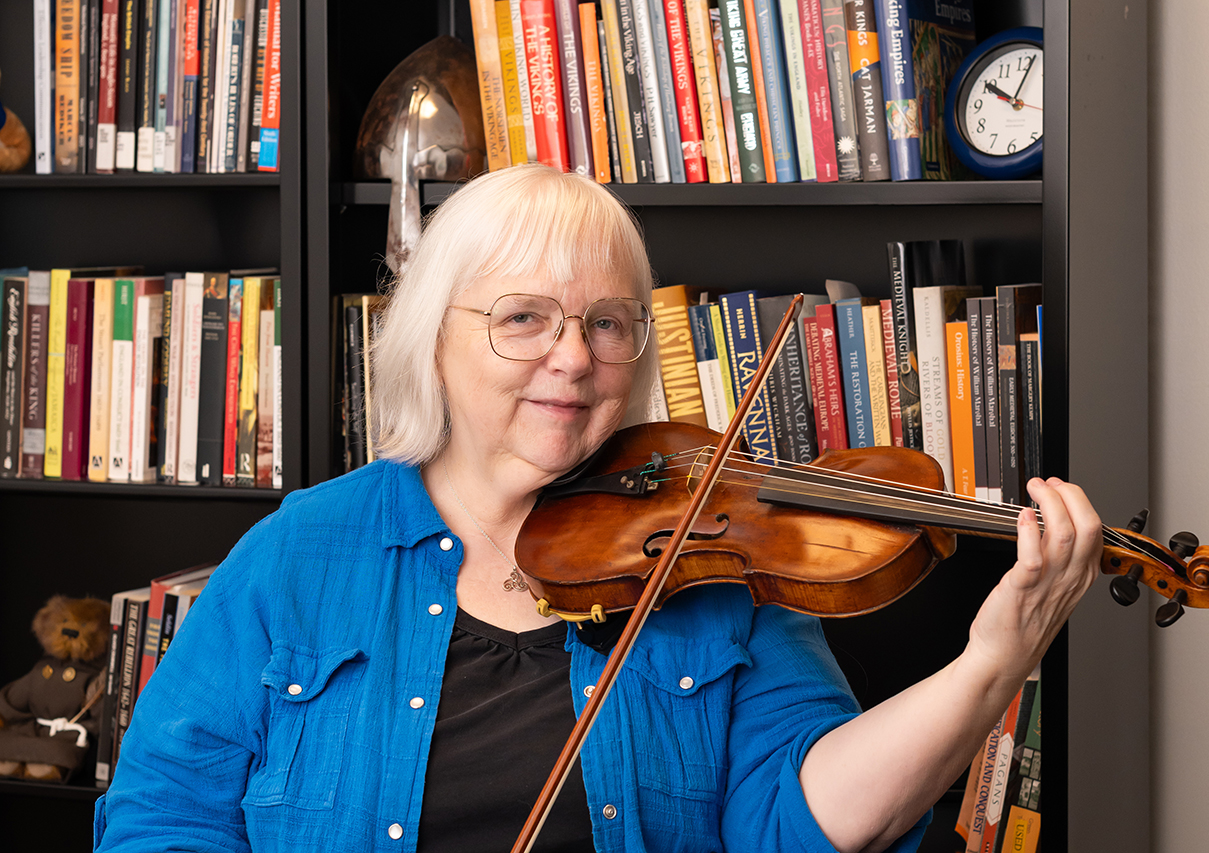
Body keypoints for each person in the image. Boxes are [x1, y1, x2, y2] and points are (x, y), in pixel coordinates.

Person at [93, 164, 1102, 853]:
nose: (573, 359)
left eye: (607, 323)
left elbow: (798, 822)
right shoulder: (297, 558)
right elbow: (160, 821)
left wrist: (991, 662)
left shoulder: (715, 570)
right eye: (522, 317)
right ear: (431, 337)